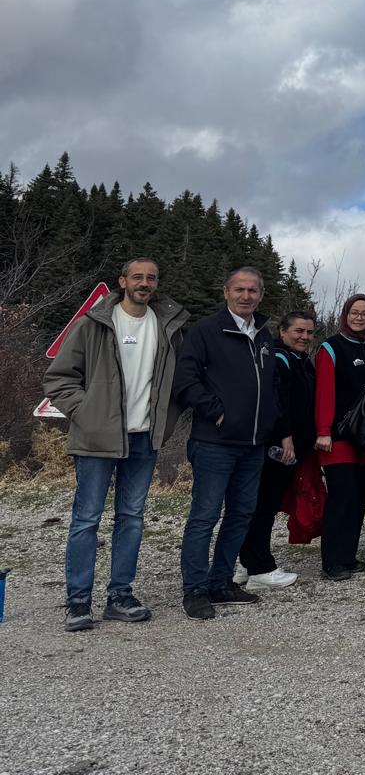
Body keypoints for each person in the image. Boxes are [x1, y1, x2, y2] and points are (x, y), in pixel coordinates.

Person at [44, 257, 190, 632]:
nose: (145, 283)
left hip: (144, 439)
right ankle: (78, 602)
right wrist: (86, 413)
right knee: (86, 520)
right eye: (137, 277)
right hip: (96, 438)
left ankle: (120, 596)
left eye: (151, 278)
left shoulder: (168, 327)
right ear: (122, 282)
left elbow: (178, 384)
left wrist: (166, 422)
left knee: (132, 519)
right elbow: (59, 378)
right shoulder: (93, 324)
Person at [174, 267, 281, 620]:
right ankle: (194, 590)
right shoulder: (206, 331)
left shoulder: (263, 335)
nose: (246, 296)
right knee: (204, 516)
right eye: (240, 289)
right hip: (214, 443)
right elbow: (185, 380)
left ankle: (221, 582)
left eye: (253, 290)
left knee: (241, 515)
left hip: (253, 445)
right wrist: (217, 413)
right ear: (226, 292)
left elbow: (271, 384)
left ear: (260, 295)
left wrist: (270, 421)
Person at [238, 309, 318, 591]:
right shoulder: (279, 358)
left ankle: (246, 562)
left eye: (309, 332)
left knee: (264, 504)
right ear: (283, 332)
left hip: (290, 446)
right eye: (298, 331)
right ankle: (260, 567)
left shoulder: (300, 360)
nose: (304, 337)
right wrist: (285, 436)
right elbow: (276, 401)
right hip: (277, 446)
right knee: (264, 504)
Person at [313, 293, 365, 581]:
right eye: (354, 312)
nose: (359, 317)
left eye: (364, 313)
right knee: (340, 499)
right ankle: (332, 561)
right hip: (337, 436)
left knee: (358, 498)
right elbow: (324, 392)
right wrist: (323, 431)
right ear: (345, 314)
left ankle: (348, 556)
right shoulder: (331, 348)